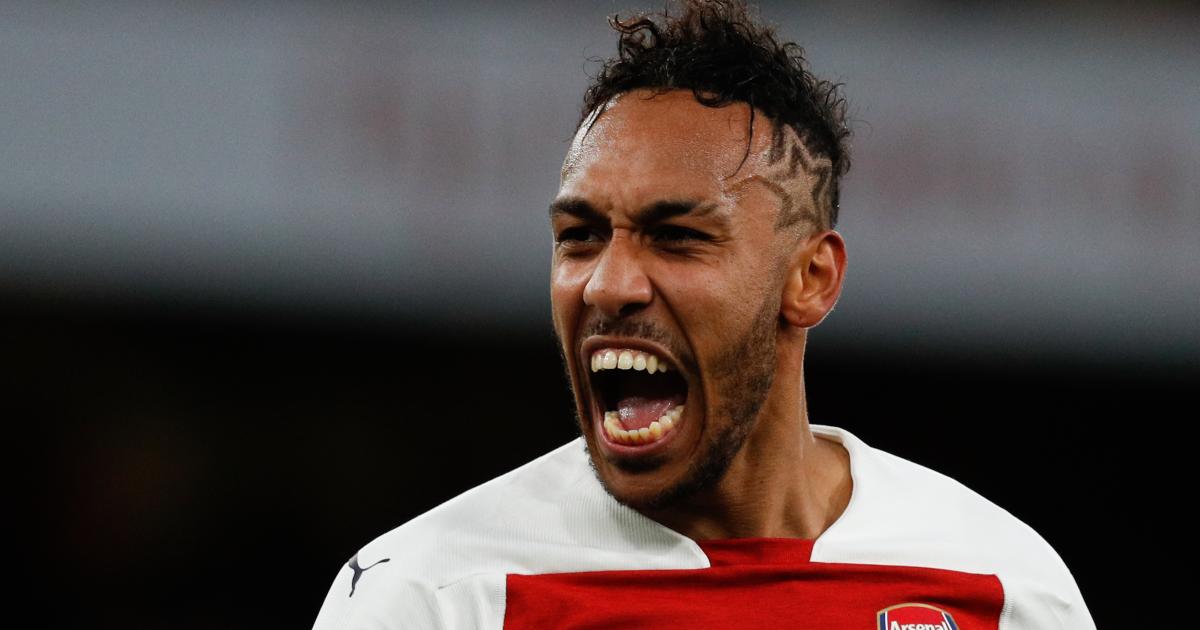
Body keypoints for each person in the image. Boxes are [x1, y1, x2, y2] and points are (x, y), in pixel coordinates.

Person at [314, 1, 1095, 628]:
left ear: (811, 279)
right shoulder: (437, 593)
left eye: (677, 237)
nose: (607, 285)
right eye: (580, 236)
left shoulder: (1000, 585)